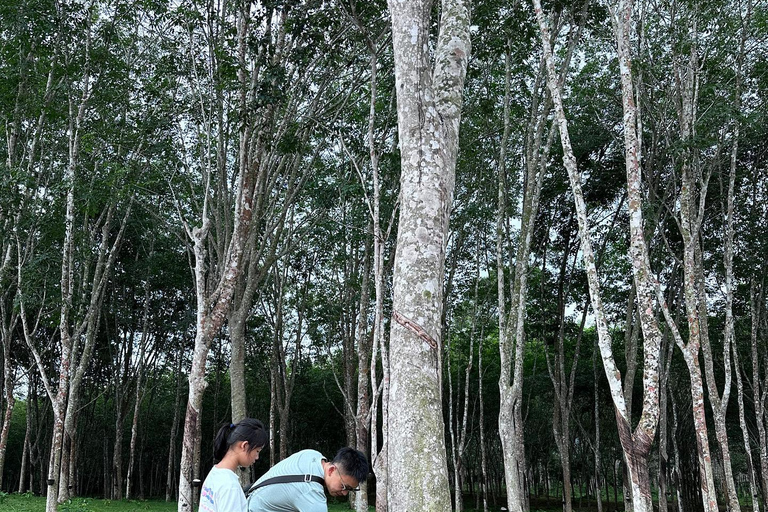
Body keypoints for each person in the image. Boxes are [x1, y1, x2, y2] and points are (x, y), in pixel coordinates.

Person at [246, 447, 368, 512]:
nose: (344, 493)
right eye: (344, 486)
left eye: (350, 490)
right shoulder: (312, 493)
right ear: (331, 470)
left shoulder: (312, 455)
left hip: (248, 499)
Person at [199, 418, 268, 512]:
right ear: (244, 446)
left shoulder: (214, 473)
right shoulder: (230, 486)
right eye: (257, 451)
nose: (257, 457)